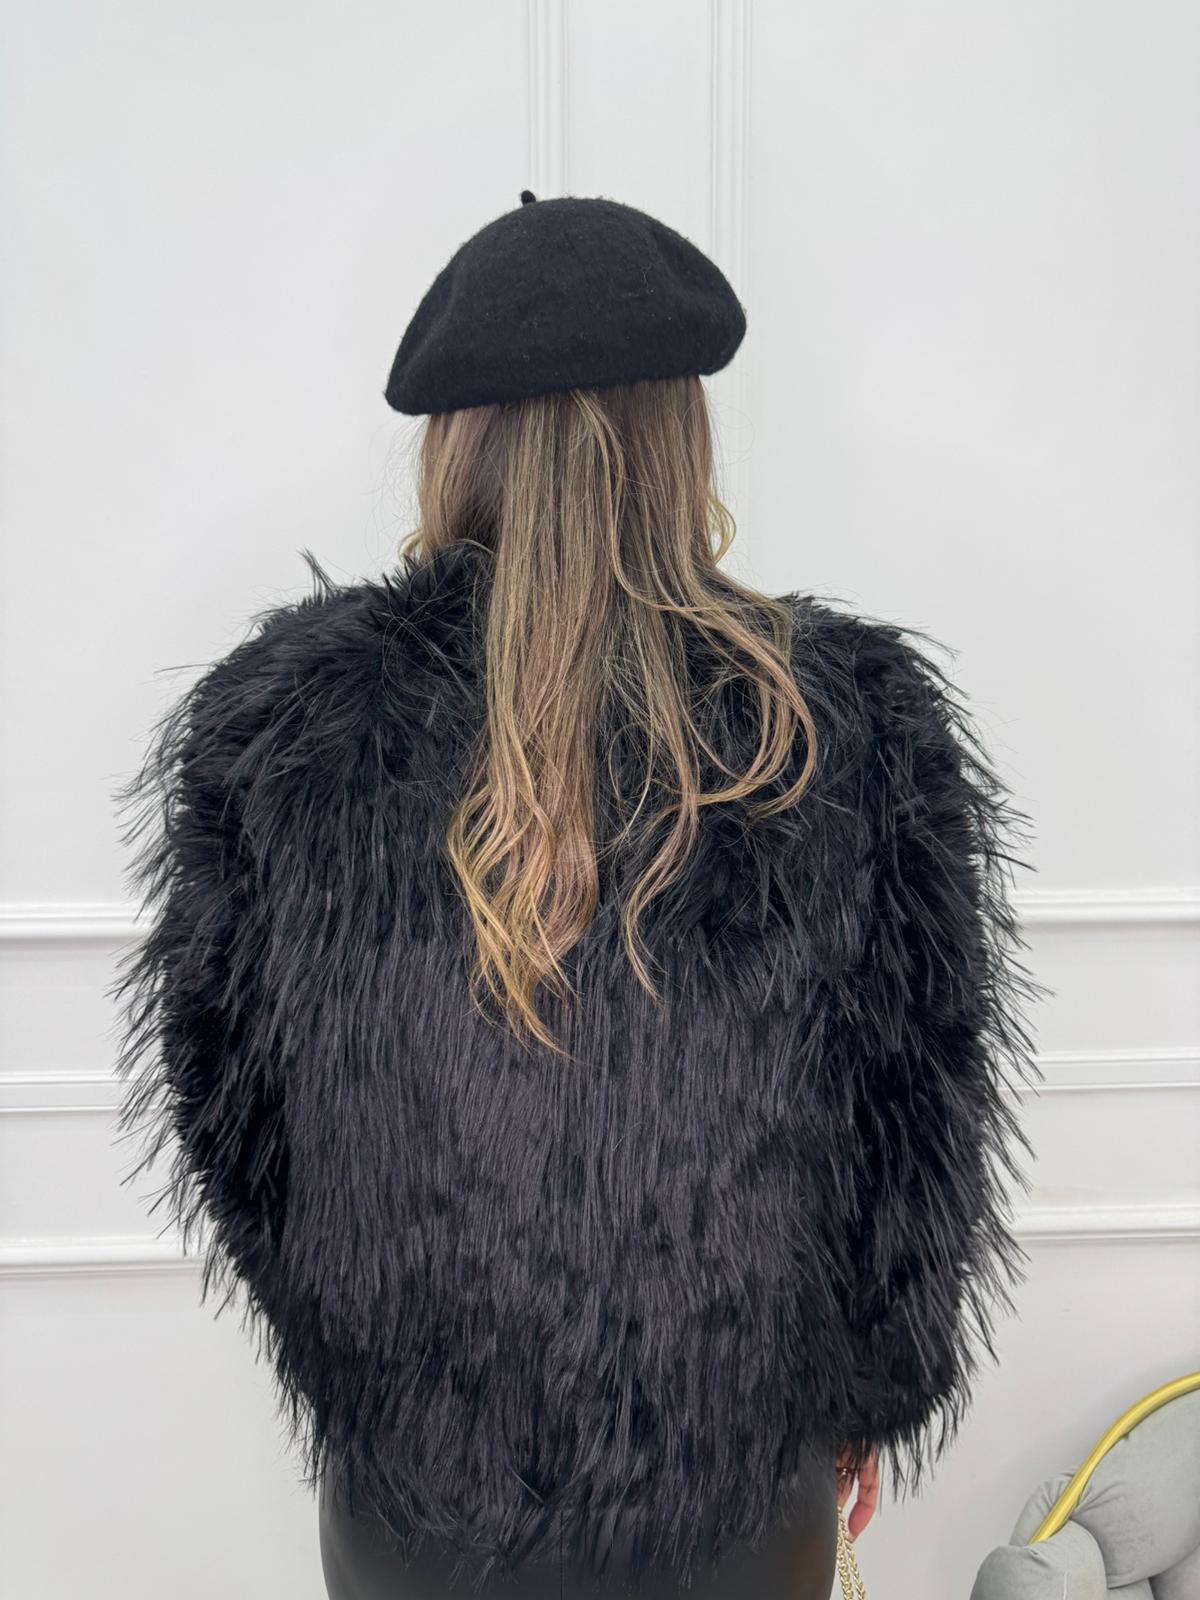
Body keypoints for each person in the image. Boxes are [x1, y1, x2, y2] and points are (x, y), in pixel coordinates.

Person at [109, 192, 1045, 1598]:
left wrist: (361, 1353)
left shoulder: (286, 725)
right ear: (680, 438)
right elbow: (920, 1123)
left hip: (418, 1500)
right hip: (739, 1495)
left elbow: (226, 1106)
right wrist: (872, 1396)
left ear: (454, 440)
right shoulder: (846, 724)